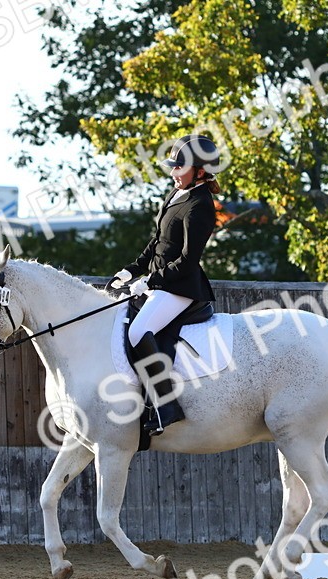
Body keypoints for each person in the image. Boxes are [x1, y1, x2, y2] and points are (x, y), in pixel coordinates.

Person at [112, 133, 221, 435]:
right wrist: (131, 270)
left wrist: (151, 280)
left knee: (138, 331)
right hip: (161, 282)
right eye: (172, 167)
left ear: (200, 171)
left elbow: (187, 259)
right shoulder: (176, 195)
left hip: (182, 287)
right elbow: (158, 242)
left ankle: (165, 406)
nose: (173, 173)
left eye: (179, 168)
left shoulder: (201, 205)